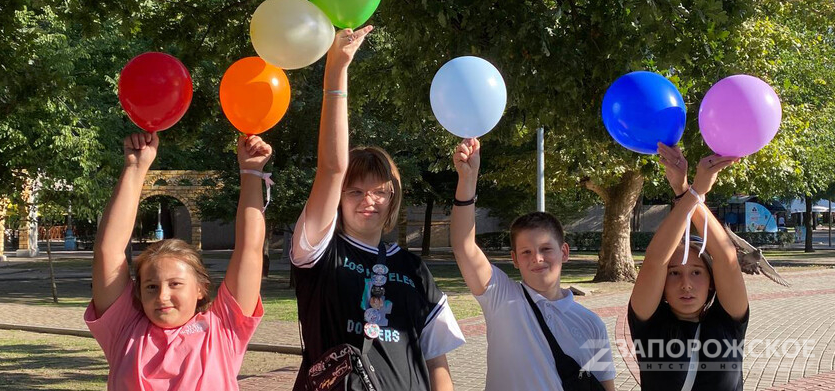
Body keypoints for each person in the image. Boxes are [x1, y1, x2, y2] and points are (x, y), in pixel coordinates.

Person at [290, 26, 465, 391]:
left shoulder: (413, 269)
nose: (368, 200)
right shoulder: (319, 253)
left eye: (379, 191)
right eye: (354, 191)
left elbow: (437, 361)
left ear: (392, 199)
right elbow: (331, 167)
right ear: (338, 198)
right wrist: (337, 69)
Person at [86, 132, 271, 390]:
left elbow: (250, 250)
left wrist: (251, 172)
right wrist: (135, 168)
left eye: (175, 284)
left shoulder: (222, 329)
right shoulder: (124, 329)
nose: (162, 296)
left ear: (200, 288)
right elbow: (108, 252)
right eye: (151, 286)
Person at [449, 138, 616, 391]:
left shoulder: (592, 324)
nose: (537, 259)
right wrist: (467, 179)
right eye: (526, 252)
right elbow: (464, 245)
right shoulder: (501, 298)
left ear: (564, 252)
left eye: (546, 249)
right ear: (515, 259)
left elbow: (605, 386)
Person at [629, 143, 748, 391]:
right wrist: (693, 193)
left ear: (712, 280)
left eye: (696, 271)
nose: (686, 283)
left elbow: (726, 257)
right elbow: (654, 261)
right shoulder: (649, 324)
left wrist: (686, 190)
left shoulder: (728, 324)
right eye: (674, 273)